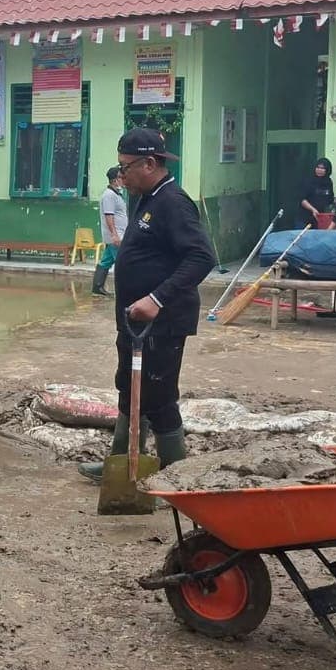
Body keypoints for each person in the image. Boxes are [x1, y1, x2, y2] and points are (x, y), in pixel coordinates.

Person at [78, 128, 216, 482]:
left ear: (150, 163)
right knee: (128, 385)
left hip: (162, 322)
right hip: (135, 323)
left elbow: (201, 257)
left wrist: (156, 299)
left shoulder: (173, 202)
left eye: (126, 167)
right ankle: (121, 463)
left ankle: (176, 475)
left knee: (158, 397)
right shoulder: (146, 198)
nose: (121, 175)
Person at [92, 165, 128, 296]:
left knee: (106, 261)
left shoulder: (117, 194)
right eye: (120, 177)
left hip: (118, 235)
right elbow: (109, 216)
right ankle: (124, 291)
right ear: (114, 180)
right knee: (122, 263)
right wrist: (114, 235)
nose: (123, 179)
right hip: (116, 236)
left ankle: (97, 287)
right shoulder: (109, 196)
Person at [299, 158, 335, 228]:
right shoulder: (309, 181)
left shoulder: (328, 182)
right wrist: (313, 209)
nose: (319, 170)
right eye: (318, 167)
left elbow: (330, 200)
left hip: (320, 219)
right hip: (305, 219)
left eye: (322, 168)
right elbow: (302, 200)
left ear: (327, 170)